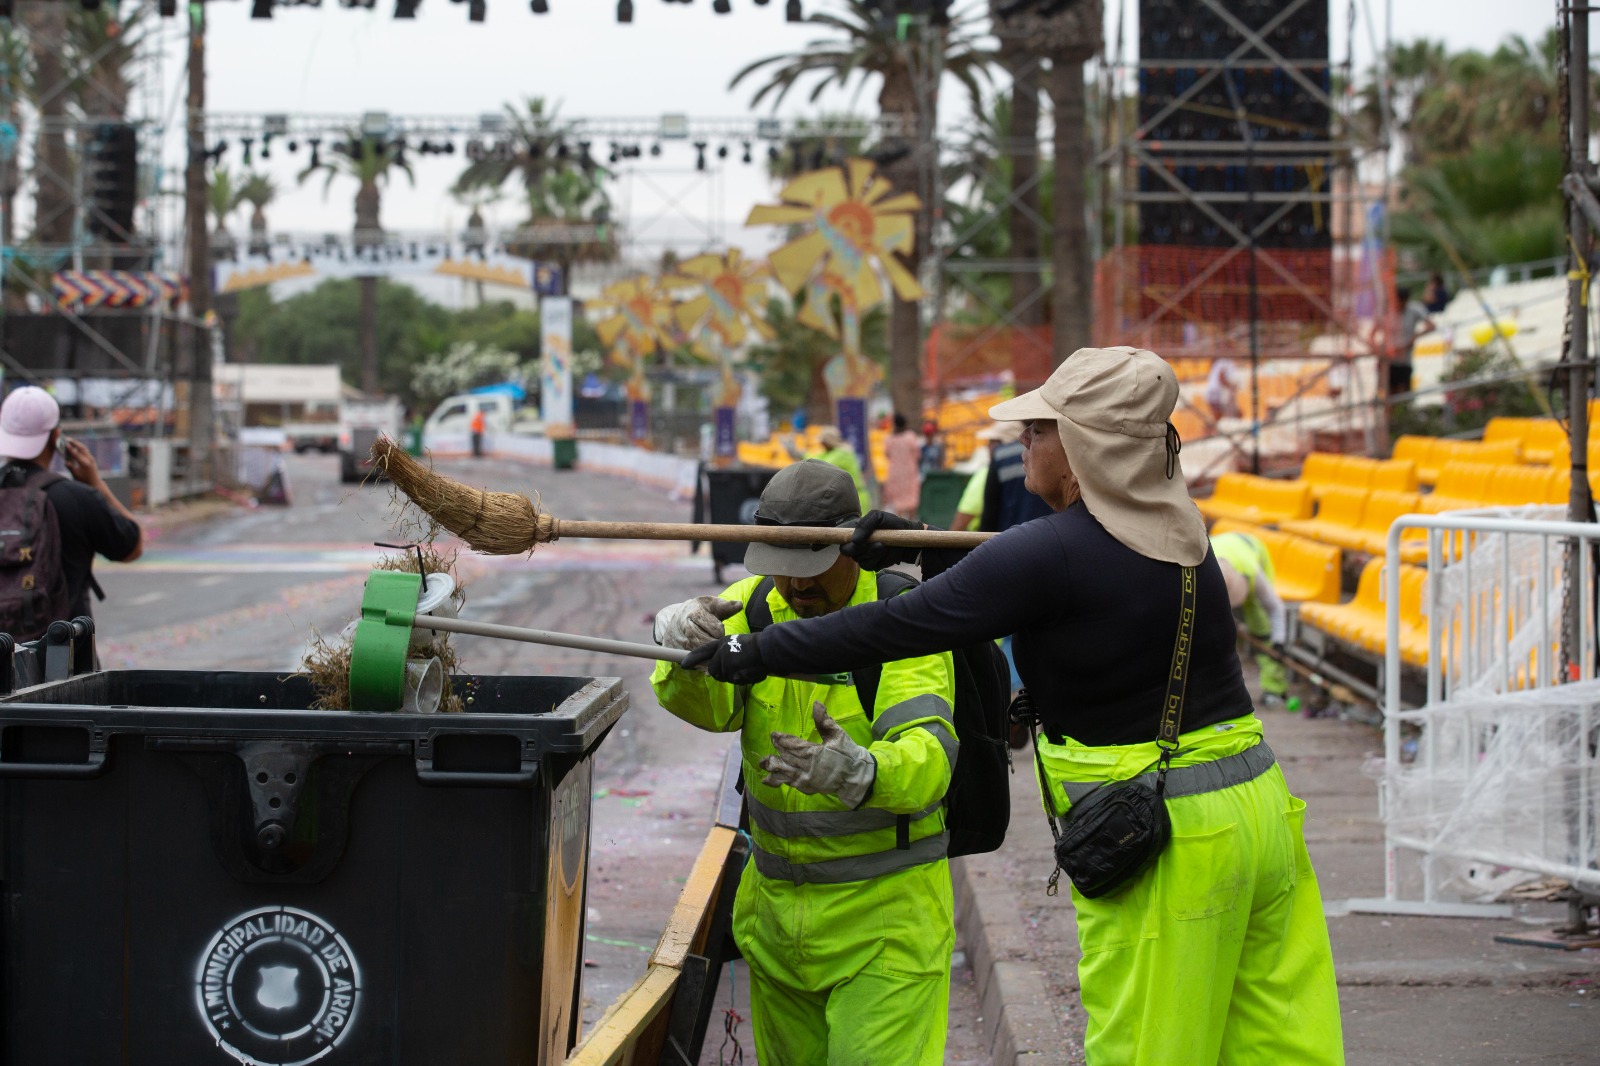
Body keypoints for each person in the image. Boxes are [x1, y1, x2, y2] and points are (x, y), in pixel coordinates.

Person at [683, 347, 1344, 1065]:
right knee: (1274, 1045)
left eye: (1040, 428)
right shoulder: (1177, 529)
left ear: (1087, 444)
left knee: (1149, 1050)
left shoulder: (1049, 551)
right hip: (1257, 812)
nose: (1021, 441)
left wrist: (756, 651)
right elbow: (1036, 598)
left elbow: (898, 624)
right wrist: (926, 548)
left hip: (1175, 845)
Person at [649, 458, 959, 1065]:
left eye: (812, 569)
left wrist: (864, 773)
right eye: (783, 570)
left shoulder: (903, 622)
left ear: (856, 547)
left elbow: (931, 756)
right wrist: (675, 648)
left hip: (884, 935)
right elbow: (709, 708)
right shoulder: (754, 608)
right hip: (777, 932)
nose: (797, 586)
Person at [0, 386, 142, 628]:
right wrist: (95, 483)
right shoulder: (76, 497)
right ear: (57, 438)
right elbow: (132, 547)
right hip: (64, 655)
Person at [1211, 530, 1289, 706]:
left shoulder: (1253, 573)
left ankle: (1274, 688)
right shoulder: (1204, 569)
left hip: (1251, 550)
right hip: (1225, 550)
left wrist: (1279, 641)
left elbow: (1276, 609)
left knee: (1262, 626)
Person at [810, 425, 871, 514]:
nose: (821, 444)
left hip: (857, 497)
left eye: (823, 442)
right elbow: (813, 457)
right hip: (847, 496)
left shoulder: (842, 453)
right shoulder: (829, 452)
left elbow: (822, 464)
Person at [1390, 285, 1435, 399]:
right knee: (1389, 394)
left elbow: (1431, 325)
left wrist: (1415, 336)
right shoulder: (1388, 310)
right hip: (1389, 359)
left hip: (1405, 359)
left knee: (1404, 393)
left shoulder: (1414, 309)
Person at [881, 412, 922, 519]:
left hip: (895, 473)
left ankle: (901, 526)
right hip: (909, 472)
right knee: (912, 499)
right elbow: (917, 454)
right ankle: (912, 526)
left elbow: (887, 454)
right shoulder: (910, 437)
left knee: (898, 501)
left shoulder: (889, 439)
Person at [1203, 356, 1242, 420]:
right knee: (1218, 418)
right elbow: (1221, 379)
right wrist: (1232, 386)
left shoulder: (1228, 362)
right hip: (1215, 394)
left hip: (1219, 395)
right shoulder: (1223, 362)